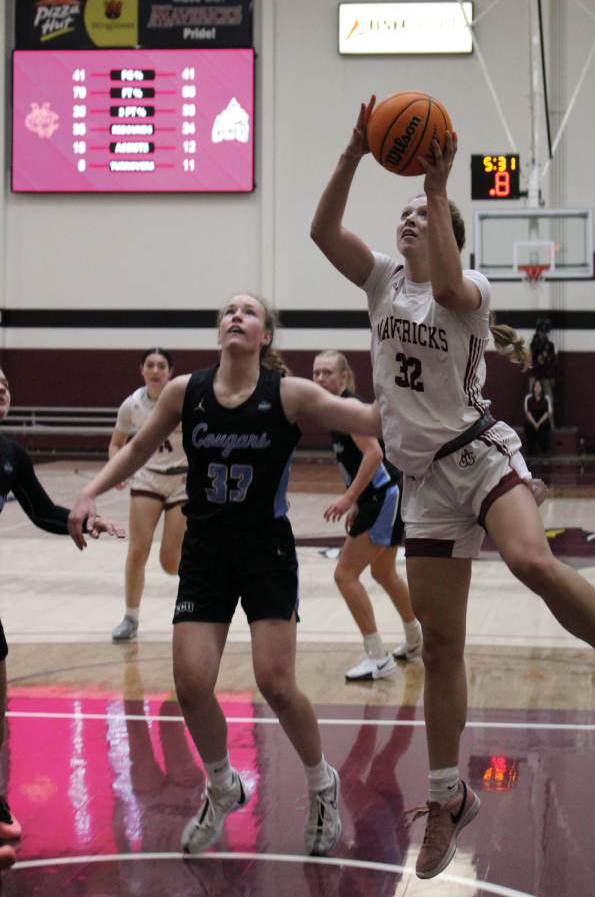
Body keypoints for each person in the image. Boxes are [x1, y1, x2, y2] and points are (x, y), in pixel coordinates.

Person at [311, 97, 595, 881]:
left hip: (477, 453)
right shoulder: (382, 281)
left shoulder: (474, 290)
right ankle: (448, 797)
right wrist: (356, 152)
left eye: (424, 214)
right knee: (444, 646)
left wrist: (440, 180)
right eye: (406, 212)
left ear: (450, 232)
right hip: (421, 483)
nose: (409, 220)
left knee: (531, 560)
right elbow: (323, 233)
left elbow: (450, 291)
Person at [68, 294, 384, 859]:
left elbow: (368, 420)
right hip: (206, 546)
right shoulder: (184, 391)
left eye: (249, 311)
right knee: (190, 684)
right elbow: (139, 446)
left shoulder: (288, 393)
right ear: (219, 331)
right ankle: (222, 784)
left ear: (265, 336)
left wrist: (428, 386)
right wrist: (91, 489)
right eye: (228, 311)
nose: (235, 316)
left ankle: (321, 784)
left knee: (276, 683)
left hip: (265, 548)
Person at [0, 366, 123, 870]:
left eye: (5, 383)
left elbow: (41, 511)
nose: (2, 390)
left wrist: (82, 520)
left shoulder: (10, 453)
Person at [312, 350, 422, 680]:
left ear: (343, 377)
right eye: (316, 373)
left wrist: (349, 497)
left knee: (344, 575)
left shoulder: (348, 408)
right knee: (384, 573)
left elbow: (373, 454)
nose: (319, 379)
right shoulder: (334, 409)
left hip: (384, 498)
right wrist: (358, 499)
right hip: (379, 496)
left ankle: (378, 656)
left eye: (326, 373)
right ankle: (416, 640)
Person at [109, 347, 188, 642]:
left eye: (161, 366)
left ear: (170, 371)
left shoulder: (183, 399)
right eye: (150, 365)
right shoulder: (132, 404)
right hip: (148, 477)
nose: (156, 371)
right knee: (138, 549)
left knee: (170, 561)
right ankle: (130, 618)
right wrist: (119, 469)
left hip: (183, 479)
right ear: (141, 370)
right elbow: (117, 445)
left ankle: (203, 593)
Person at [529, 321, 556, 411]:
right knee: (532, 397)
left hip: (546, 374)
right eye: (541, 332)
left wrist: (552, 376)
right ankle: (532, 420)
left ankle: (550, 422)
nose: (543, 334)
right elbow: (532, 358)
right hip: (534, 372)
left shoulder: (550, 345)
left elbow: (552, 362)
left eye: (545, 332)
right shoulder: (534, 344)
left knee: (549, 398)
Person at [524, 379, 551, 456]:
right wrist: (535, 424)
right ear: (533, 388)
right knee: (528, 426)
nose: (537, 388)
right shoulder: (528, 398)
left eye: (539, 386)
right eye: (536, 386)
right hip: (532, 419)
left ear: (542, 388)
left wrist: (538, 423)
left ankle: (544, 450)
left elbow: (546, 413)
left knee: (544, 426)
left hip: (542, 419)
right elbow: (528, 413)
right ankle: (530, 450)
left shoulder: (546, 398)